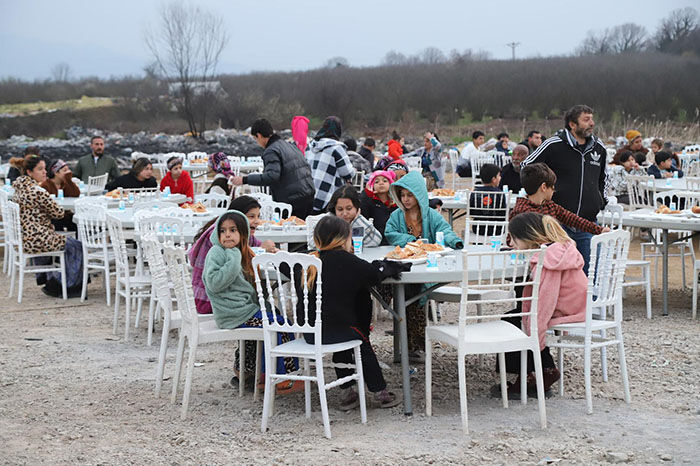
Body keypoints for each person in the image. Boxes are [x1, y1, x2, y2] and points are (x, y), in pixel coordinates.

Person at [300, 215, 402, 409]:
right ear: (345, 239)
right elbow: (374, 275)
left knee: (342, 336)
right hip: (342, 331)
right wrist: (384, 266)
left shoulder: (307, 261)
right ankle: (380, 392)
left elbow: (285, 267)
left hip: (311, 334)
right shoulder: (350, 262)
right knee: (361, 342)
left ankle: (347, 391)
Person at [202, 211, 301, 393]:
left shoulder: (242, 252)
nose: (227, 235)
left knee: (278, 318)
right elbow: (214, 283)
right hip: (232, 313)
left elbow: (250, 287)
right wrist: (233, 257)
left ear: (243, 234)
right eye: (223, 231)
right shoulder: (218, 252)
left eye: (233, 230)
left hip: (244, 310)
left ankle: (262, 372)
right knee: (277, 325)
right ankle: (281, 378)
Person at [498, 212, 588, 397]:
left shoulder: (547, 260)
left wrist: (536, 336)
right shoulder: (558, 250)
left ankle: (539, 372)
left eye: (513, 238)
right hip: (575, 305)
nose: (511, 243)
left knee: (515, 322)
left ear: (527, 237)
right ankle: (535, 370)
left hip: (567, 310)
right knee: (517, 317)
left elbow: (546, 300)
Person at [385, 171, 463, 359]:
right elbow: (390, 233)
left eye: (410, 195)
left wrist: (454, 241)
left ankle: (416, 345)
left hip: (426, 266)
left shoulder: (431, 215)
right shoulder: (397, 216)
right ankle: (406, 343)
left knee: (415, 295)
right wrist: (410, 240)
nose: (405, 199)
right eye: (402, 195)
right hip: (404, 264)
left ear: (419, 194)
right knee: (398, 289)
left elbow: (445, 230)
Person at [522, 104, 607, 275]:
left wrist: (600, 200)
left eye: (592, 119)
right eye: (586, 119)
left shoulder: (599, 147)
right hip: (556, 223)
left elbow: (603, 178)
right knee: (555, 274)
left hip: (587, 223)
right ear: (572, 124)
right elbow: (527, 167)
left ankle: (588, 295)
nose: (592, 123)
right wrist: (539, 197)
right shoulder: (553, 144)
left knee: (588, 276)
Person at [189, 196, 277, 315]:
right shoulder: (220, 237)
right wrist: (262, 249)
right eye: (251, 216)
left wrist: (268, 248)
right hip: (212, 301)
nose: (257, 221)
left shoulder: (236, 232)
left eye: (258, 216)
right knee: (269, 311)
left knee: (269, 308)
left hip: (225, 298)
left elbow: (253, 246)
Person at [11, 155, 83, 298]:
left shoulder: (19, 189)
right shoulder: (37, 191)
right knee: (77, 246)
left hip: (25, 237)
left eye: (44, 169)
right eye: (40, 169)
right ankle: (64, 286)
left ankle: (49, 279)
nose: (45, 172)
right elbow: (58, 213)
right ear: (29, 172)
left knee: (69, 242)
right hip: (38, 238)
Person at [231, 119, 315, 219]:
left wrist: (244, 180)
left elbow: (271, 176)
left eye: (255, 139)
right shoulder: (289, 145)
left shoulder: (271, 150)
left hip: (293, 200)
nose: (257, 142)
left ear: (259, 135)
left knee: (290, 227)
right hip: (308, 194)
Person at [511, 163, 609, 235]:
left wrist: (599, 230)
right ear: (544, 187)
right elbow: (515, 240)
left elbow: (573, 219)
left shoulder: (549, 206)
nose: (554, 190)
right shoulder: (522, 212)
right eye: (552, 186)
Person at [306, 116, 355, 214]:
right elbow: (347, 173)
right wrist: (354, 170)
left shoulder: (309, 146)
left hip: (308, 193)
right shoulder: (336, 148)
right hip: (327, 197)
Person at [40, 159, 81, 232]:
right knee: (57, 222)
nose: (68, 172)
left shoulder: (65, 183)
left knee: (77, 222)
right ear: (56, 173)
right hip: (52, 216)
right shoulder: (46, 185)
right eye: (65, 170)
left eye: (68, 170)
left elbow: (76, 194)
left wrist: (69, 180)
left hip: (65, 214)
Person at [360, 170, 397, 244]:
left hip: (392, 240)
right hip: (375, 240)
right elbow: (363, 214)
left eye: (385, 181)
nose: (381, 183)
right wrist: (367, 193)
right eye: (376, 182)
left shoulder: (395, 203)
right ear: (372, 186)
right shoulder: (369, 201)